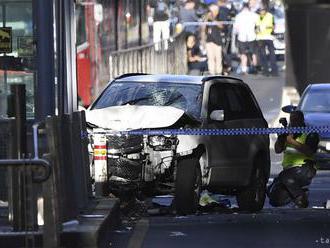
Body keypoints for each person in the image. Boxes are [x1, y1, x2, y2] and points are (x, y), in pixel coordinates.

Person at [268, 110, 319, 208]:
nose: (294, 123)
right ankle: (299, 192)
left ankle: (301, 198)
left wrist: (292, 142)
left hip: (305, 168)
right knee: (274, 197)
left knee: (286, 177)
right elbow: (278, 150)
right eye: (292, 120)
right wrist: (281, 138)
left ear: (302, 120)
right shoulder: (288, 133)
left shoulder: (310, 133)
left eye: (296, 120)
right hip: (289, 170)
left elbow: (310, 152)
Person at [232, 2, 258, 74]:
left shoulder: (238, 16)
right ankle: (254, 67)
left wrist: (236, 34)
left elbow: (235, 28)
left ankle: (244, 69)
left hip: (242, 37)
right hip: (252, 36)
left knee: (243, 54)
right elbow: (258, 24)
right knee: (254, 53)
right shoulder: (254, 15)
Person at [255, 6, 278, 76]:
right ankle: (266, 71)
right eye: (260, 10)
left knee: (271, 54)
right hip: (261, 37)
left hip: (268, 37)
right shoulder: (258, 17)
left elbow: (273, 26)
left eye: (262, 10)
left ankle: (273, 71)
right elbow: (256, 27)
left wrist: (267, 29)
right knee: (263, 55)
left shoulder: (270, 16)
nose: (261, 12)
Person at [204, 4, 224, 75]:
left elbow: (221, 26)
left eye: (213, 11)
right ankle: (212, 72)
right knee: (210, 58)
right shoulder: (207, 20)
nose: (212, 13)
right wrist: (206, 19)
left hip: (217, 41)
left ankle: (219, 72)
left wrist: (213, 19)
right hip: (209, 41)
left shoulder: (219, 18)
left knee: (218, 57)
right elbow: (204, 30)